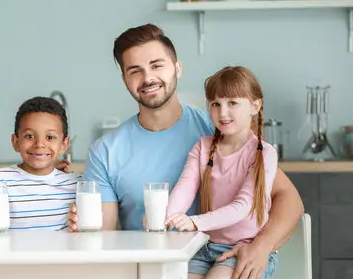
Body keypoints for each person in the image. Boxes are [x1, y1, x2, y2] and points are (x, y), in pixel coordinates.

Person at [68, 24, 304, 279]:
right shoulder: (105, 151)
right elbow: (102, 233)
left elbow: (289, 201)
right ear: (125, 80)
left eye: (157, 65)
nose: (148, 78)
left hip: (225, 260)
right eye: (135, 71)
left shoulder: (218, 130)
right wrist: (81, 226)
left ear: (177, 68)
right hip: (150, 270)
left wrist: (261, 247)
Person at [166, 66, 278, 279]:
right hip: (205, 247)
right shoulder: (203, 147)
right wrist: (166, 216)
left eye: (232, 103)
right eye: (216, 104)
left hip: (244, 249)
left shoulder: (264, 154)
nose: (222, 112)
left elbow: (243, 206)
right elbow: (185, 188)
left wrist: (195, 222)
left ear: (255, 106)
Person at [0, 96, 81, 231]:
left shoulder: (77, 185)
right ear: (16, 142)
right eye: (29, 136)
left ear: (64, 144)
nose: (39, 144)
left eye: (50, 137)